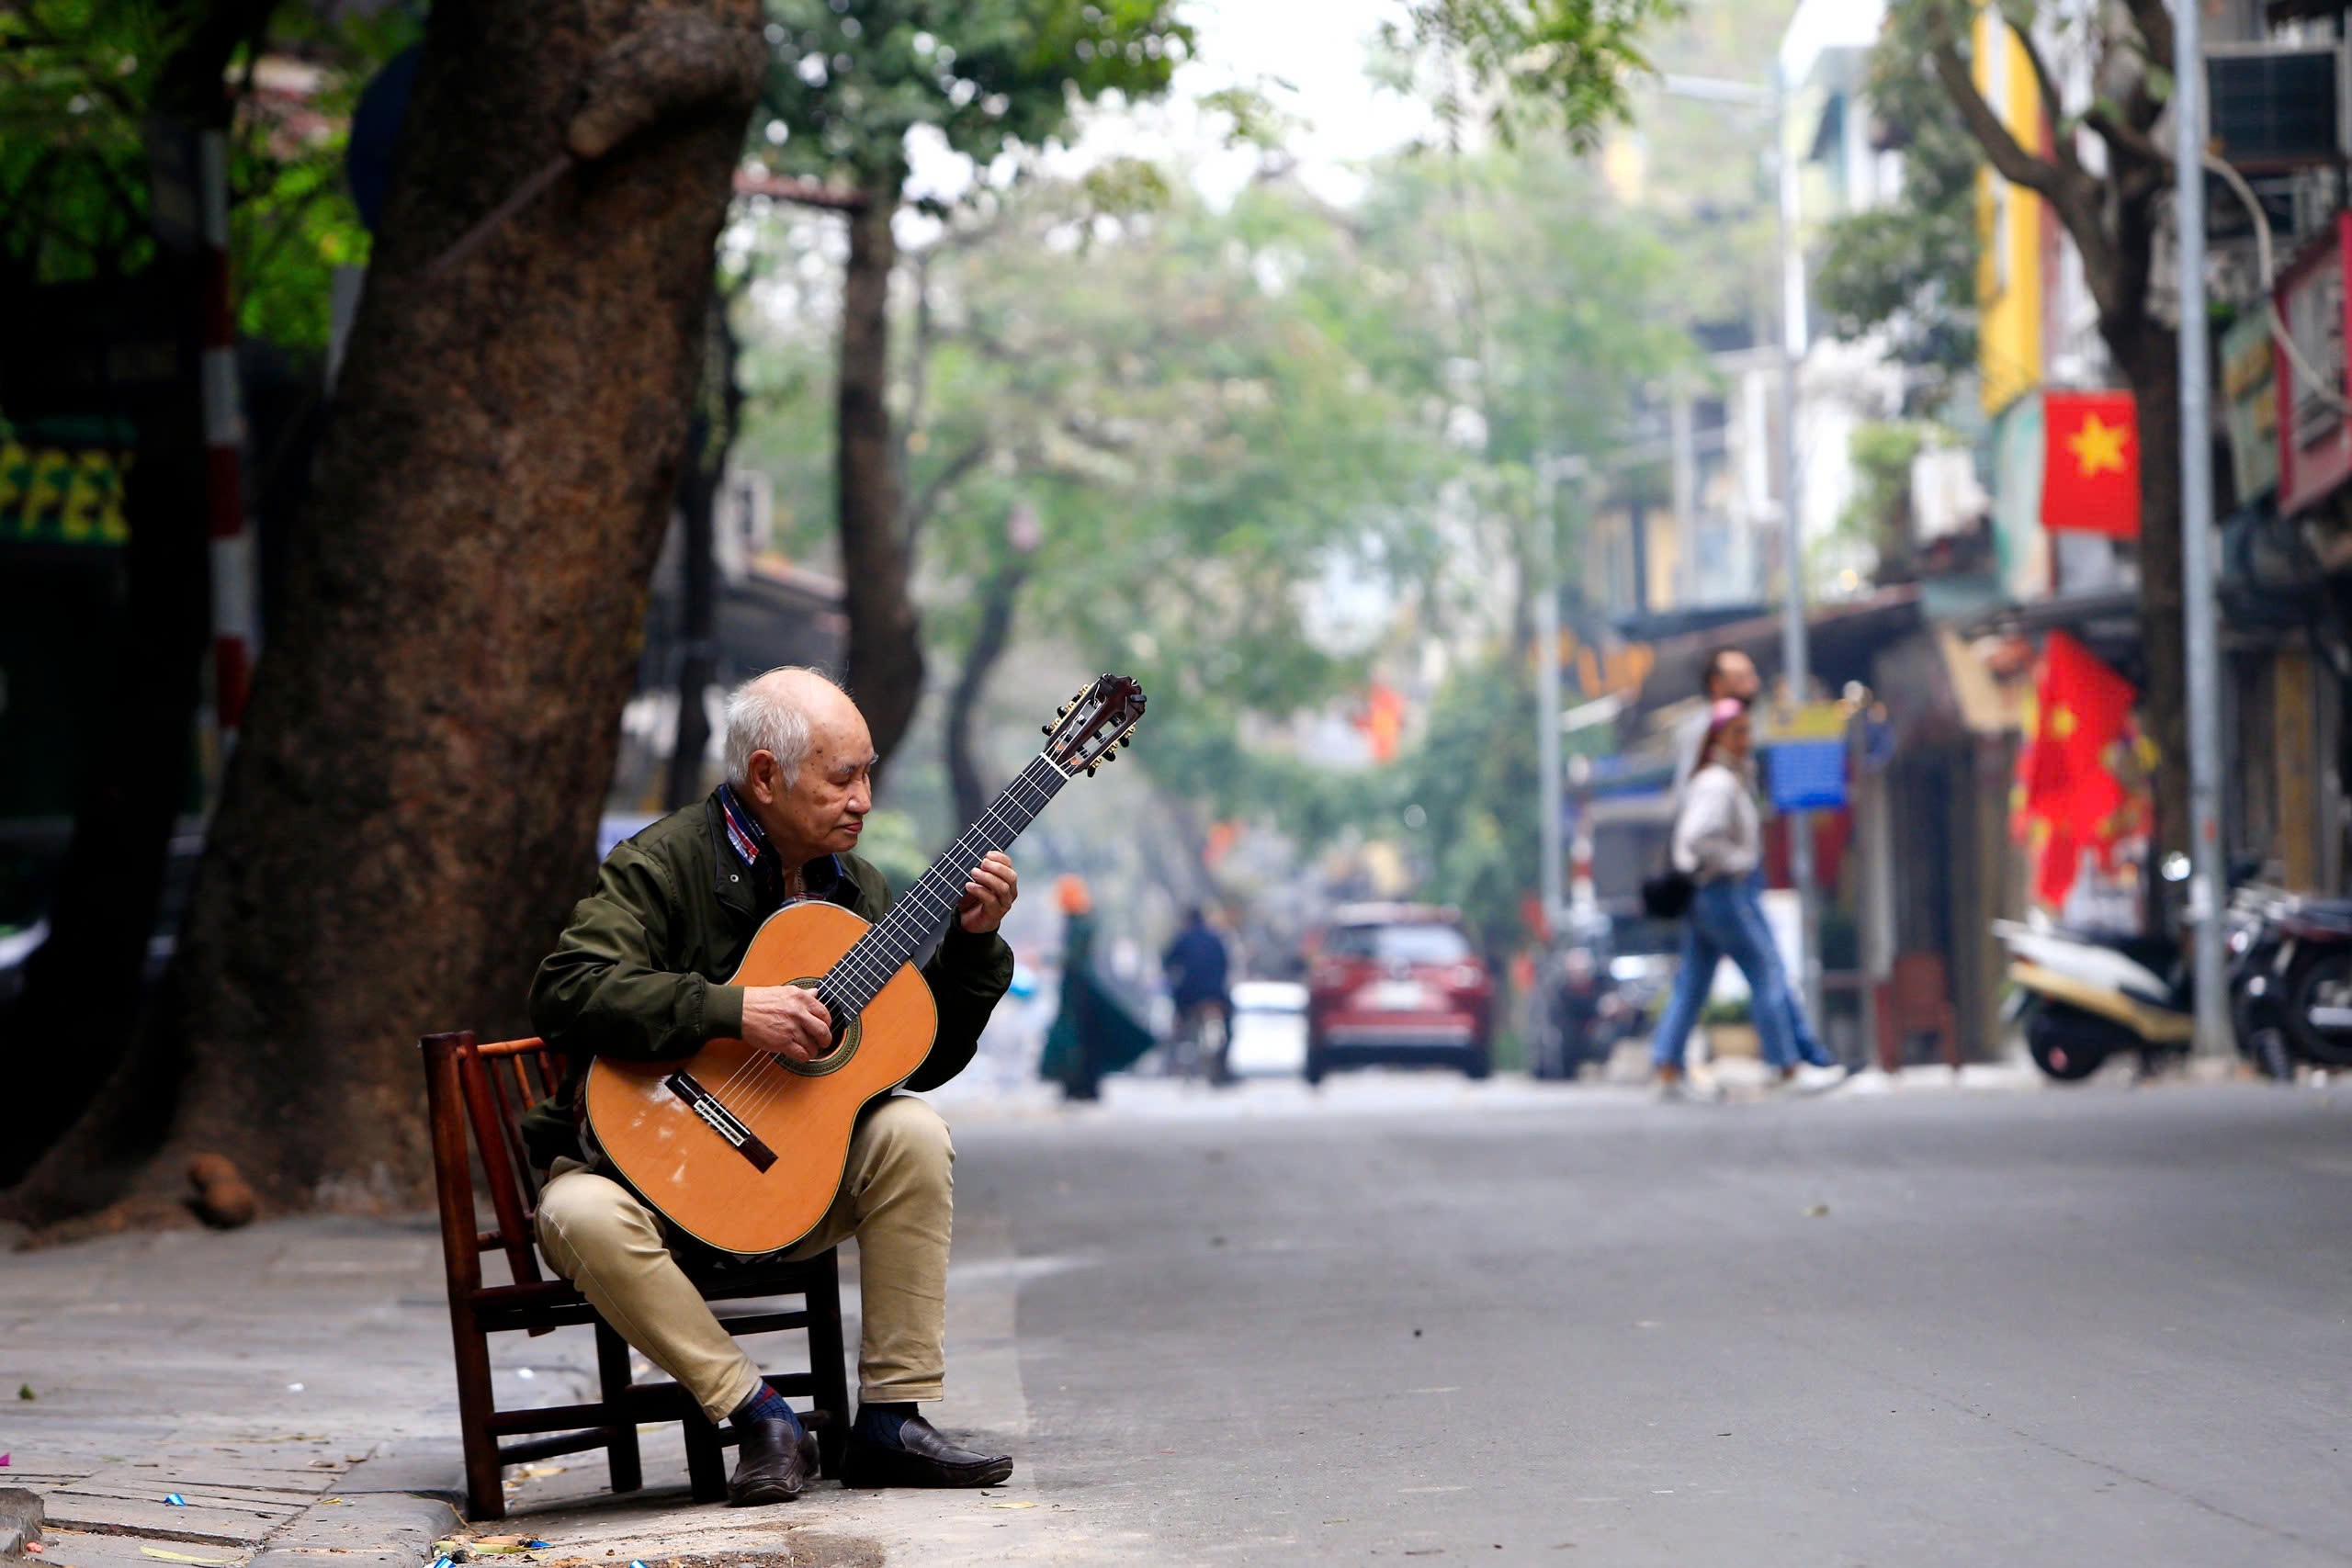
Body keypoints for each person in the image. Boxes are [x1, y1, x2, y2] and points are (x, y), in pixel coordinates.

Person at [522, 667, 1020, 1506]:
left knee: (911, 1129)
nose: (863, 798)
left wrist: (974, 949)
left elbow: (905, 1062)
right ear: (764, 777)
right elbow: (567, 988)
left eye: (867, 773)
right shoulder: (662, 863)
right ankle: (758, 1416)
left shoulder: (854, 887)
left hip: (790, 1187)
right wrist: (731, 1010)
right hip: (649, 1180)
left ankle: (892, 1419)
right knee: (572, 1215)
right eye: (841, 776)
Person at [1649, 698, 1845, 1098]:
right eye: (1737, 732)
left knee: (1693, 983)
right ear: (1716, 737)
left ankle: (1668, 1069)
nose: (1746, 739)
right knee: (1767, 971)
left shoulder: (1724, 778)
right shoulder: (1718, 782)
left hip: (1706, 893)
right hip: (1723, 890)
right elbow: (1700, 837)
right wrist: (1739, 861)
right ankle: (1786, 1067)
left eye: (1746, 731)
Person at [1037, 874, 1156, 1100]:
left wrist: (1045, 960)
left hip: (1079, 988)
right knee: (1083, 1040)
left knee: (1081, 1041)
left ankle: (1082, 1086)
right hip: (1077, 986)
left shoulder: (1080, 922)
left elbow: (1074, 957)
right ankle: (1077, 1086)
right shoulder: (1079, 919)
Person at [1673, 647, 1762, 794]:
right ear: (1716, 683)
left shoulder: (1741, 722)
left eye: (1751, 675)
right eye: (1740, 677)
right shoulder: (1704, 728)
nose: (1752, 683)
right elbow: (1687, 792)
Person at [1161, 907, 1233, 1081]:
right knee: (1230, 1025)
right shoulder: (1215, 939)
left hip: (1191, 996)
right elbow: (1225, 964)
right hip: (1216, 994)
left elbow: (1168, 960)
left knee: (1180, 1023)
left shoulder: (1184, 938)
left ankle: (1176, 1059)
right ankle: (1224, 1064)